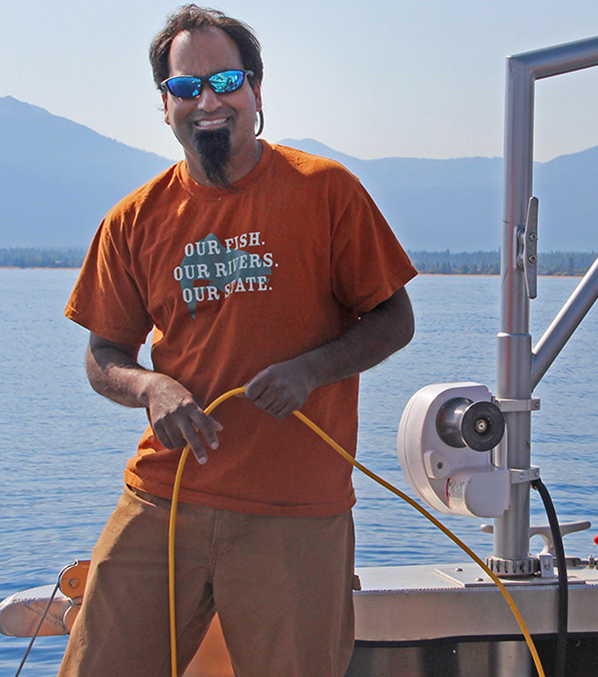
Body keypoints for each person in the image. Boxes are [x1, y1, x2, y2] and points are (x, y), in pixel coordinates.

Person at [60, 5, 416, 676]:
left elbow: (394, 318)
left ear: (256, 90)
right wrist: (151, 385)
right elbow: (103, 357)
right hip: (164, 499)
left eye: (225, 79)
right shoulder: (133, 221)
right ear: (165, 106)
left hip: (296, 509)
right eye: (187, 87)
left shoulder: (326, 191)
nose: (208, 100)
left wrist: (311, 370)